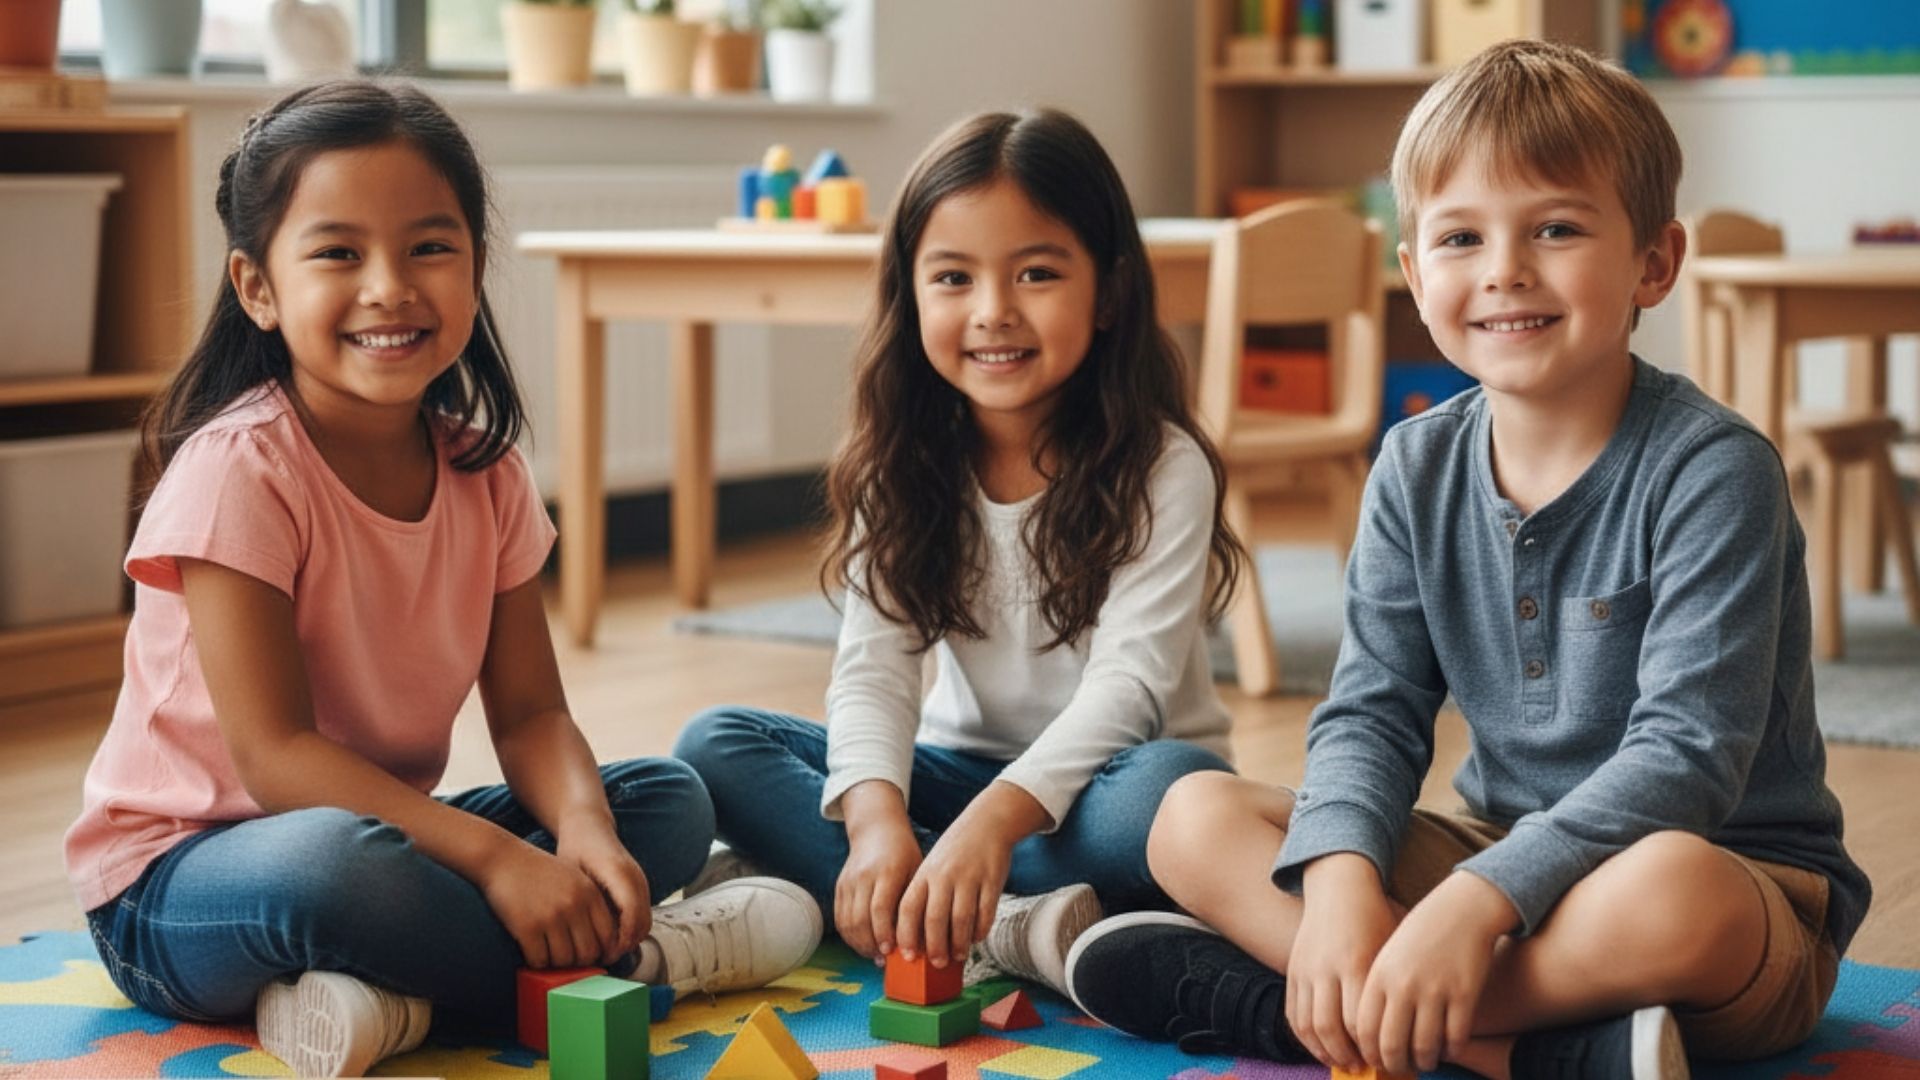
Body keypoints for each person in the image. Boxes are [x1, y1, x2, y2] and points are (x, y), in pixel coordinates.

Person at [1065, 40, 1870, 1080]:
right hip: (1491, 858)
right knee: (1192, 816)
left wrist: (1473, 903)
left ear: (1654, 264)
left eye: (1557, 228)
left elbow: (1686, 761)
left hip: (1728, 895)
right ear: (1413, 272)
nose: (1504, 271)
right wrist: (1349, 883)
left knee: (1672, 885)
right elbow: (1373, 710)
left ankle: (1299, 1009)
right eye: (1459, 237)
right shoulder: (1412, 465)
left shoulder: (1715, 471)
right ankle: (1526, 1048)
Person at [64, 80, 819, 1078]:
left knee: (664, 802)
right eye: (338, 253)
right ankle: (646, 961)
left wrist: (586, 836)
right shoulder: (238, 472)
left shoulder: (486, 471)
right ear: (258, 287)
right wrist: (502, 862)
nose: (390, 286)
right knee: (338, 871)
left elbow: (533, 716)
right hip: (184, 882)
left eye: (429, 247)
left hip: (389, 841)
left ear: (473, 265)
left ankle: (395, 998)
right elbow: (278, 758)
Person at [674, 108, 1245, 998]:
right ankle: (1005, 922)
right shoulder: (901, 460)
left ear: (1111, 293)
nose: (993, 313)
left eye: (1037, 273)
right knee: (716, 742)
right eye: (953, 277)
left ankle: (920, 898)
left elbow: (1129, 694)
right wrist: (873, 821)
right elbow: (874, 674)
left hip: (1101, 793)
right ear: (911, 295)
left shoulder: (1162, 464)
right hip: (954, 777)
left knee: (1175, 787)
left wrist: (992, 828)